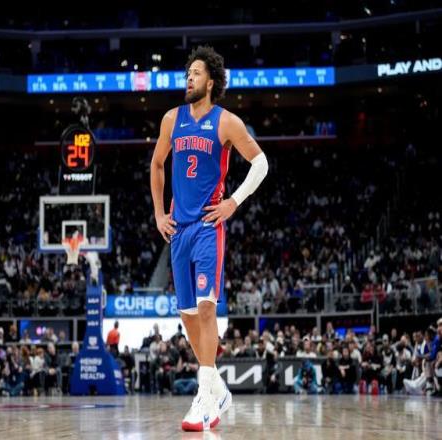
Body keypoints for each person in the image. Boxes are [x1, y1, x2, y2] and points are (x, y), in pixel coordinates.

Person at [150, 45, 268, 431]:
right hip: (178, 230)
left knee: (205, 309)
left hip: (207, 227)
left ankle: (204, 399)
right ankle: (217, 388)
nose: (189, 78)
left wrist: (234, 202)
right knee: (187, 317)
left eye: (196, 73)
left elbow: (261, 163)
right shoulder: (172, 118)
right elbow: (157, 164)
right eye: (188, 73)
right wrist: (158, 213)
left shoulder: (226, 122)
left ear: (211, 82)